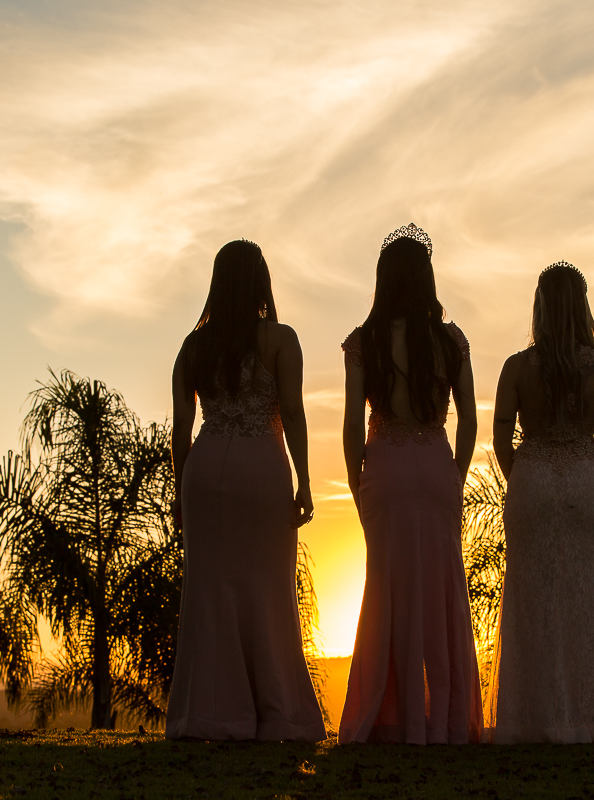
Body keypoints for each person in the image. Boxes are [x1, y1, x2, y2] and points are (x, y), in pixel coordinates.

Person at [166, 239, 326, 742]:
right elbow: (293, 412)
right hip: (261, 468)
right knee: (269, 588)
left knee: (209, 591)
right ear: (261, 283)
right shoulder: (281, 339)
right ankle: (276, 712)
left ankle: (212, 713)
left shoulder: (193, 347)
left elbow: (181, 431)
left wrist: (180, 493)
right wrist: (304, 479)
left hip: (206, 470)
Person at [486, 262, 594, 744]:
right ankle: (593, 715)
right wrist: (588, 473)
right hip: (583, 481)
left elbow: (500, 437)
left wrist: (525, 476)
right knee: (588, 600)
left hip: (532, 480)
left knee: (532, 600)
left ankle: (535, 717)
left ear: (539, 306)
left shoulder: (517, 367)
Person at [338, 223, 483, 745]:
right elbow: (469, 419)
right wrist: (455, 472)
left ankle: (387, 717)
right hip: (435, 466)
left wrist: (356, 479)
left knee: (386, 589)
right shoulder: (449, 341)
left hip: (385, 468)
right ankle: (444, 720)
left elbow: (352, 424)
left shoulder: (365, 343)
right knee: (443, 592)